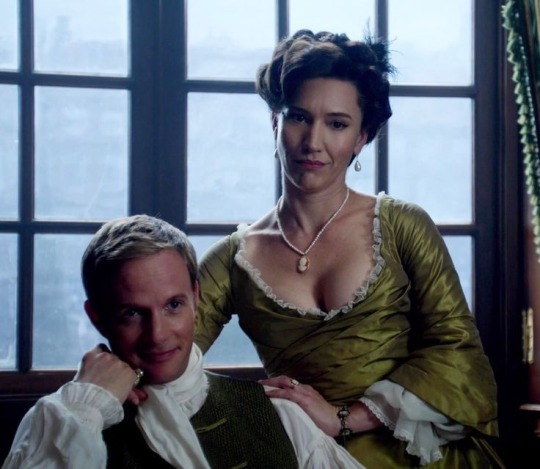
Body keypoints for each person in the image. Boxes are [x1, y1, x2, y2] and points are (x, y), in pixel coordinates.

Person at [195, 30, 504, 468]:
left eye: (337, 124)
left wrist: (345, 418)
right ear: (275, 121)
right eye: (299, 117)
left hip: (426, 454)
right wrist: (253, 406)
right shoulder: (232, 260)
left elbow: (459, 353)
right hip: (309, 457)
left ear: (362, 137)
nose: (313, 142)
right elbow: (165, 354)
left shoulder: (402, 226)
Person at [2, 214, 364, 469]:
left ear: (195, 297)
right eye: (133, 313)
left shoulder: (277, 414)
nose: (157, 334)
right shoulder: (68, 421)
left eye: (173, 305)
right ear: (97, 317)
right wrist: (87, 404)